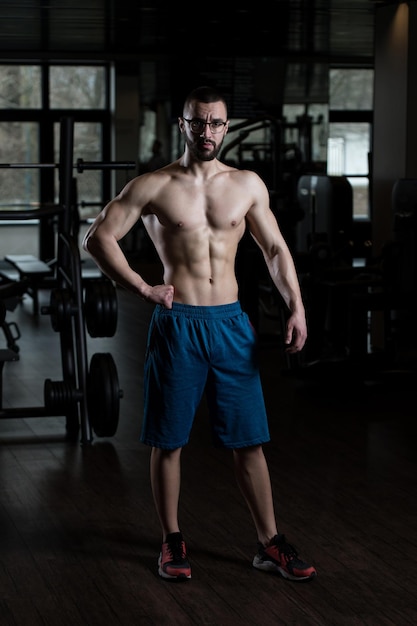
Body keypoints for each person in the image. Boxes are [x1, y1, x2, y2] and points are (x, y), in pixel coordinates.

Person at [82, 85, 317, 583]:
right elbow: (97, 237)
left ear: (226, 128)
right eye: (197, 122)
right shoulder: (154, 185)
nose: (206, 131)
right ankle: (171, 541)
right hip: (179, 325)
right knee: (169, 441)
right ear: (183, 125)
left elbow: (275, 249)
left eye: (215, 123)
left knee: (249, 442)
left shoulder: (247, 184)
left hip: (232, 324)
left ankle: (267, 542)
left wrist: (295, 305)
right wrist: (144, 288)